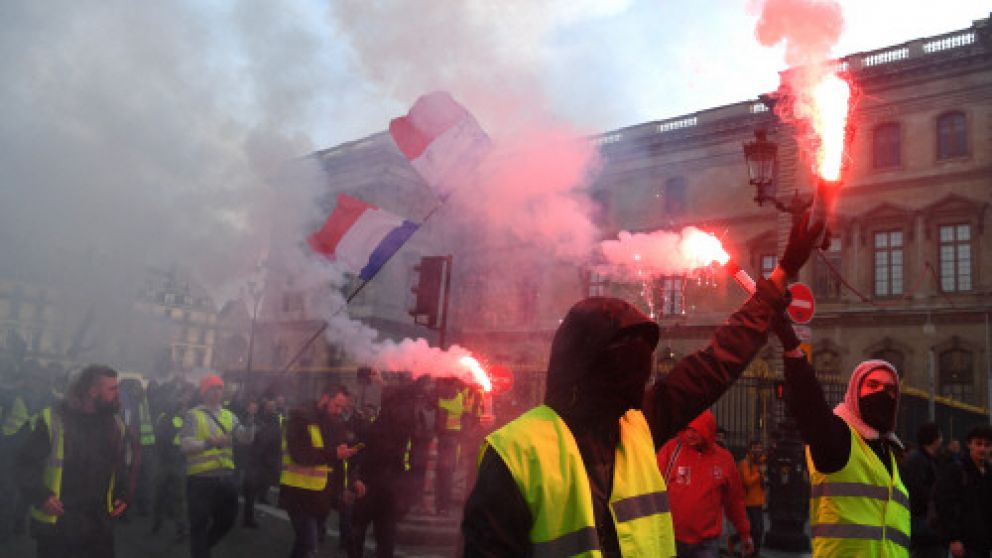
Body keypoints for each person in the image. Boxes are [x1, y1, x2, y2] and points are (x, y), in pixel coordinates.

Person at [461, 211, 822, 556]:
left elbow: (716, 363)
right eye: (622, 348)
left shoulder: (639, 424)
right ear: (583, 360)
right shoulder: (517, 454)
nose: (638, 363)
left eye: (641, 350)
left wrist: (782, 274)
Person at [781, 351, 910, 556]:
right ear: (855, 391)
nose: (882, 394)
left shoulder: (890, 451)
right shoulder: (839, 437)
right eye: (873, 385)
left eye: (890, 389)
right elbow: (810, 407)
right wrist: (794, 353)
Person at [15, 364, 130, 558]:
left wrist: (123, 492)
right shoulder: (54, 421)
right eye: (112, 388)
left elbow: (121, 463)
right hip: (60, 525)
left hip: (99, 524)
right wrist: (41, 496)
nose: (118, 393)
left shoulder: (115, 423)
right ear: (93, 392)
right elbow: (24, 464)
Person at [657, 411, 752, 557]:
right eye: (687, 429)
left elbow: (734, 501)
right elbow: (652, 489)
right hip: (671, 537)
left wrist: (744, 533)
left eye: (696, 430)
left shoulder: (724, 459)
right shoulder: (671, 450)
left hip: (706, 542)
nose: (690, 434)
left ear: (707, 430)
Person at [279, 384, 357, 558]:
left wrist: (349, 485)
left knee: (302, 546)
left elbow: (339, 462)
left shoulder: (335, 424)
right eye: (336, 405)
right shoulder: (301, 418)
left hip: (321, 497)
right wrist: (334, 453)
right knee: (309, 546)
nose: (339, 411)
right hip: (298, 495)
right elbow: (300, 454)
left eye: (342, 407)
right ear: (324, 398)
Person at [181, 373, 254, 558]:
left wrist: (251, 417)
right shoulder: (193, 415)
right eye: (212, 388)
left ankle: (202, 549)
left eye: (219, 388)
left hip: (225, 480)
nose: (217, 392)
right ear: (204, 392)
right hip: (200, 480)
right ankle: (201, 552)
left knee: (228, 520)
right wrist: (209, 442)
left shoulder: (229, 416)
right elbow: (185, 445)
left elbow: (246, 438)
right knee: (199, 524)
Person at [347, 385, 416, 558]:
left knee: (360, 532)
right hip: (385, 488)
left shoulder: (378, 426)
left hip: (374, 486)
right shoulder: (404, 424)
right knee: (384, 537)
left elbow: (357, 452)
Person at [935, 425, 992, 558]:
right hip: (964, 544)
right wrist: (954, 539)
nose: (982, 448)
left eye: (987, 445)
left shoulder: (988, 473)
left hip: (984, 544)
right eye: (978, 444)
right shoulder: (956, 470)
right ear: (969, 444)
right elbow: (945, 505)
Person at [900, 422, 945, 558]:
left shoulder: (924, 459)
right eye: (940, 436)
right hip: (922, 523)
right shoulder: (919, 460)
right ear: (935, 439)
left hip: (924, 523)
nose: (942, 440)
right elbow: (918, 490)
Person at [737, 440, 767, 556]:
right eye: (755, 447)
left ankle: (754, 552)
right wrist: (759, 473)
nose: (758, 450)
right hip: (748, 502)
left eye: (760, 447)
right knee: (755, 529)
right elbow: (747, 481)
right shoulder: (745, 463)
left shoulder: (760, 462)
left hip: (758, 501)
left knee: (759, 529)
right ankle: (751, 551)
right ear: (749, 449)